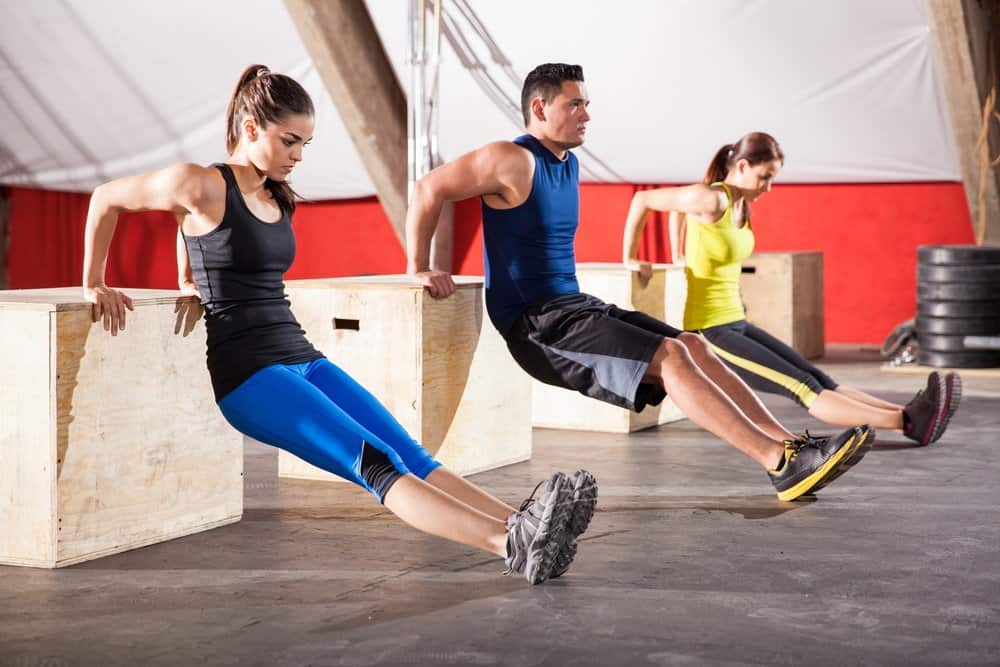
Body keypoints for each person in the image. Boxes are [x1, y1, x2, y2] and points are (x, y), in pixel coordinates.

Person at [81, 64, 596, 585]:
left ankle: (523, 522)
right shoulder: (199, 181)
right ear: (251, 126)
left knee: (409, 454)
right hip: (250, 375)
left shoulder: (274, 193)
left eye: (305, 143)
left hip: (300, 356)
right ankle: (509, 543)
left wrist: (188, 272)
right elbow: (107, 199)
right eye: (289, 141)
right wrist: (93, 281)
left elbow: (197, 231)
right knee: (375, 465)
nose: (298, 155)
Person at [405, 63, 873, 503]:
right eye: (574, 104)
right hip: (538, 325)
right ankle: (777, 461)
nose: (587, 114)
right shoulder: (510, 158)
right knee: (671, 357)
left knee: (694, 345)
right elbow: (429, 188)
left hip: (573, 306)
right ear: (540, 108)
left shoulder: (566, 162)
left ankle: (791, 446)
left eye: (586, 103)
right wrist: (419, 265)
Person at [621, 132, 961, 446]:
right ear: (742, 166)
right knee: (803, 388)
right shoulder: (711, 199)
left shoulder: (742, 204)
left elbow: (678, 213)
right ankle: (908, 422)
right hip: (710, 331)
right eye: (765, 176)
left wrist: (680, 252)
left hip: (736, 321)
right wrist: (631, 257)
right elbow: (644, 200)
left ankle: (909, 409)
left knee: (816, 375)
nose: (769, 187)